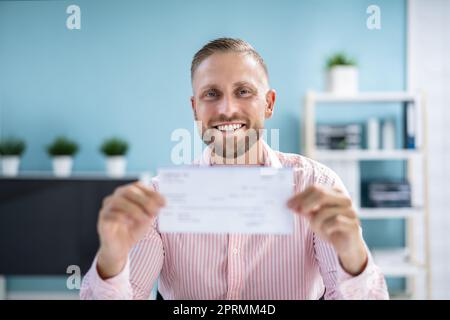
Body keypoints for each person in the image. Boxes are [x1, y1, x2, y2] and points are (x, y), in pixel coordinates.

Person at [80, 38, 389, 300]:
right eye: (211, 94)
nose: (227, 109)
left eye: (243, 91)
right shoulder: (158, 200)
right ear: (195, 108)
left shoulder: (317, 185)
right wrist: (112, 258)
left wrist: (354, 258)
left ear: (269, 103)